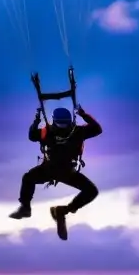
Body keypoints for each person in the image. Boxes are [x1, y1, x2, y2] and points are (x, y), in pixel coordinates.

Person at [9, 103, 102, 240]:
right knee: (28, 178)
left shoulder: (50, 131)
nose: (64, 127)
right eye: (61, 124)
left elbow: (32, 135)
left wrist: (36, 121)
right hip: (60, 171)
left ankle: (61, 210)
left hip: (57, 171)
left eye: (65, 124)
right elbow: (97, 129)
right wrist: (82, 114)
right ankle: (28, 208)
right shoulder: (76, 131)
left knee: (29, 178)